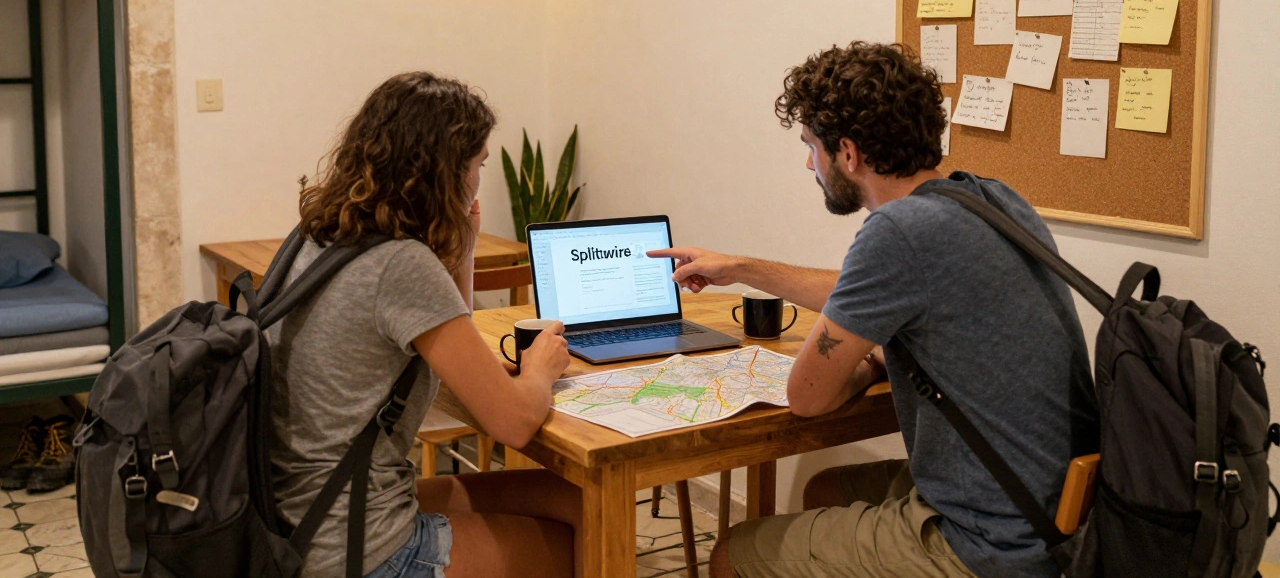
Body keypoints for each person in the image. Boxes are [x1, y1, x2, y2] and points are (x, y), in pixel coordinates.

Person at [650, 42, 1098, 578]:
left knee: (732, 555)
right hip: (1058, 507)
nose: (808, 162)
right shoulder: (992, 199)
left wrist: (865, 362)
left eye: (811, 146)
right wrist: (743, 268)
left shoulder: (896, 233)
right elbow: (875, 293)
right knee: (826, 488)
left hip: (993, 539)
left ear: (848, 153)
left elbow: (807, 396)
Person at [270, 72, 582, 578]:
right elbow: (513, 423)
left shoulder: (316, 239)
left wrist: (464, 243)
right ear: (447, 171)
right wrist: (541, 370)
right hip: (352, 545)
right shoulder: (400, 265)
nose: (481, 178)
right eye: (478, 164)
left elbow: (450, 345)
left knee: (568, 497)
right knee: (580, 540)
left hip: (298, 516)